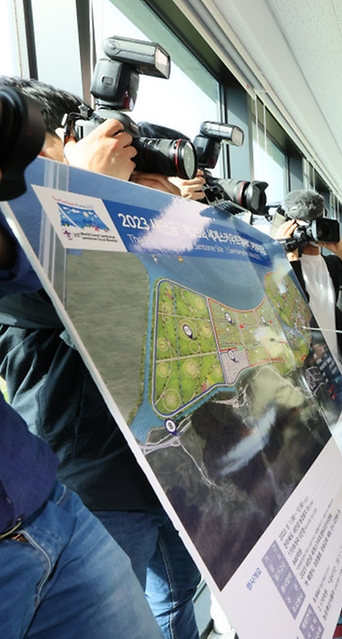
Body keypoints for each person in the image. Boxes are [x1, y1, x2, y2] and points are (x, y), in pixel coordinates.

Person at [0, 76, 200, 639]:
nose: (36, 162)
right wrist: (77, 186)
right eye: (30, 148)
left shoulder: (98, 217)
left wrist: (169, 218)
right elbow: (59, 294)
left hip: (160, 462)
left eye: (45, 145)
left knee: (176, 596)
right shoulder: (25, 226)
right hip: (94, 475)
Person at [276, 189, 342, 443]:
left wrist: (341, 251)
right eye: (305, 224)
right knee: (332, 450)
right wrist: (288, 255)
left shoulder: (334, 264)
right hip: (311, 380)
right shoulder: (281, 266)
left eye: (316, 221)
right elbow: (293, 307)